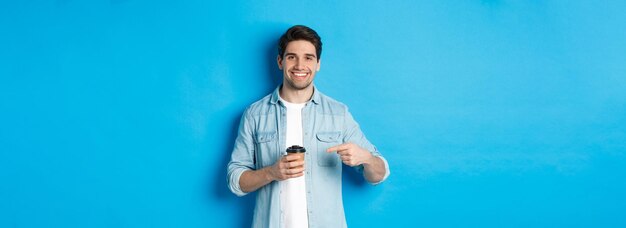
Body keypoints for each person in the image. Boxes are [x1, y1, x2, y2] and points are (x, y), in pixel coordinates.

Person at [227, 25, 390, 228]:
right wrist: (271, 172)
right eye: (292, 57)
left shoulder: (338, 113)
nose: (300, 65)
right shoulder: (255, 114)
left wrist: (366, 158)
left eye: (308, 58)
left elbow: (380, 174)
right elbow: (235, 181)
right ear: (280, 61)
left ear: (318, 64)